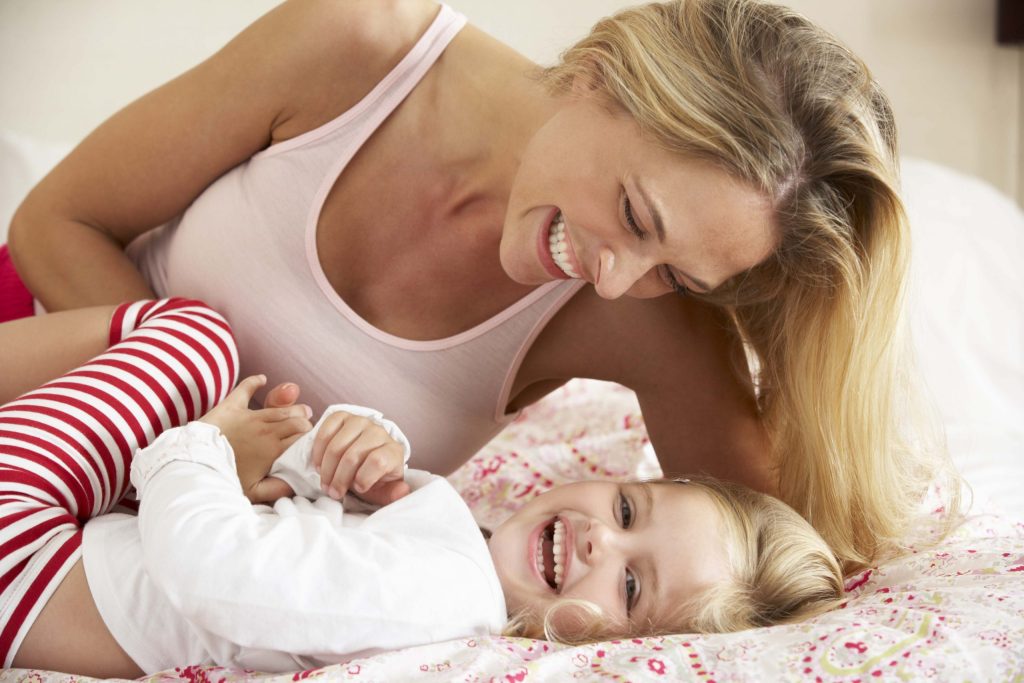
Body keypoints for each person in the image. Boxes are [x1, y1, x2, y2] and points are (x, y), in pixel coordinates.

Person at [5, 0, 949, 571]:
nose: (617, 278)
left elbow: (780, 544)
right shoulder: (360, 43)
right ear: (604, 74)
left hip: (113, 543)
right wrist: (211, 438)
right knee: (189, 337)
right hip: (30, 354)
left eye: (675, 273)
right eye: (635, 213)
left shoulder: (640, 322)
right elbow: (55, 221)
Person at [3, 299, 843, 677]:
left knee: (193, 338)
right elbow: (316, 537)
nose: (599, 539)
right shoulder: (462, 557)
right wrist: (338, 456)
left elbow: (216, 573)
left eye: (630, 582)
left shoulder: (440, 598)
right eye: (627, 511)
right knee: (200, 346)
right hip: (65, 550)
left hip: (24, 562)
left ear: (615, 650)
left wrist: (198, 450)